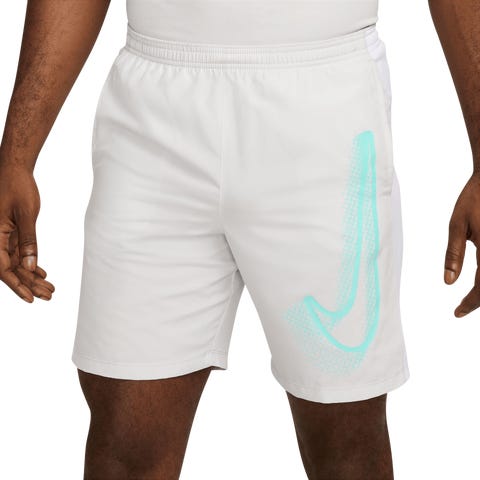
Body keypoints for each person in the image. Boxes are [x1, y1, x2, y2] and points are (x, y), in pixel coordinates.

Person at [0, 1, 477, 479]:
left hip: (325, 121)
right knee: (124, 449)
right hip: (152, 126)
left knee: (347, 441)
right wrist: (16, 157)